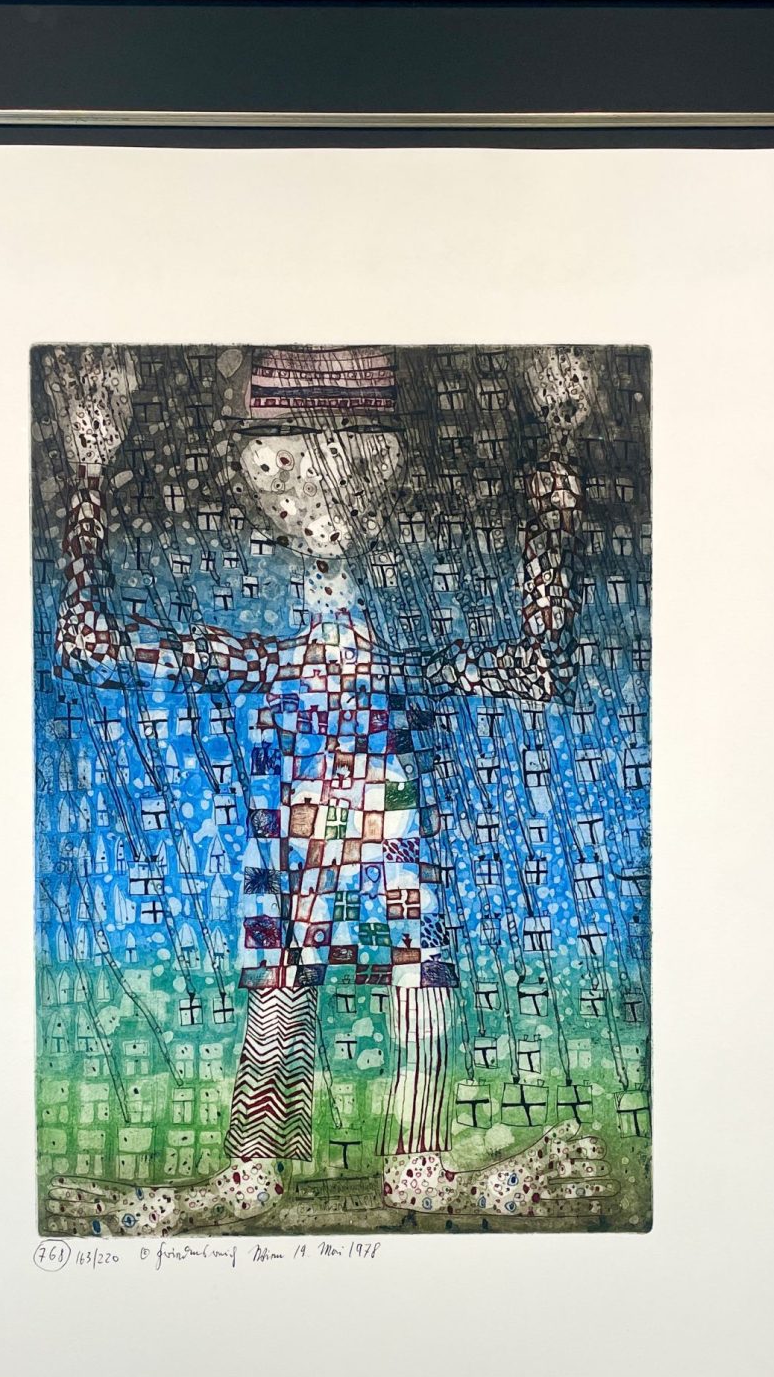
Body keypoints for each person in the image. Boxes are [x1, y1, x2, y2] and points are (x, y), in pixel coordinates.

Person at [46, 344, 599, 1234]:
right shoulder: (286, 660)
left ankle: (396, 1158)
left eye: (348, 460)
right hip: (305, 841)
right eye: (286, 464)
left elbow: (536, 669)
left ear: (385, 468)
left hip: (375, 832)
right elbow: (86, 642)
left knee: (400, 961)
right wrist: (87, 484)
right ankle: (264, 1165)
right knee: (303, 967)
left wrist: (553, 494)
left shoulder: (354, 661)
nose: (316, 489)